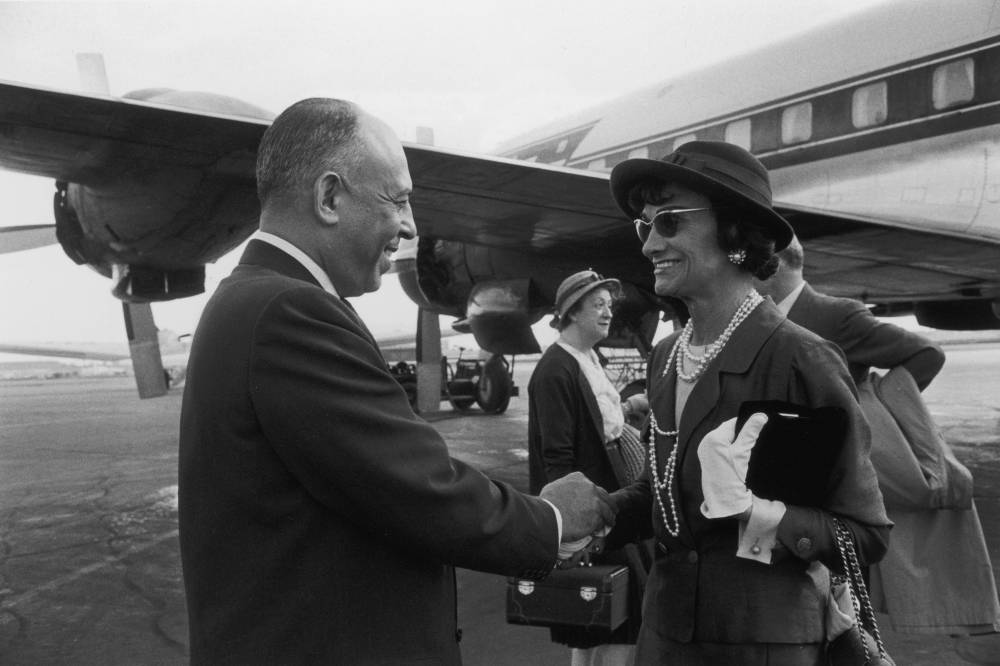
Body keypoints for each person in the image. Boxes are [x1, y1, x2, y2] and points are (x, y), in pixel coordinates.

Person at [178, 98, 616, 665]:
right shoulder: (290, 311)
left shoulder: (258, 299)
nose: (410, 225)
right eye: (398, 199)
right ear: (329, 197)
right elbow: (416, 488)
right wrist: (552, 519)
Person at [607, 140, 892, 664]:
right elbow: (662, 493)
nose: (649, 246)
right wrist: (593, 515)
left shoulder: (801, 359)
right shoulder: (667, 356)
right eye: (645, 225)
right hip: (665, 640)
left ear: (735, 233)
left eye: (669, 221)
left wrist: (755, 516)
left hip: (765, 646)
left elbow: (866, 536)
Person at [758, 236, 1000, 638]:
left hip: (835, 480)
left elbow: (926, 354)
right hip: (785, 480)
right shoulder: (767, 317)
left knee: (844, 595)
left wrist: (873, 411)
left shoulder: (835, 315)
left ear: (777, 267)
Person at [528, 270, 650, 666]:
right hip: (590, 513)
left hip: (607, 501)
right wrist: (571, 534)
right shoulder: (555, 370)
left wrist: (629, 409)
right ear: (571, 313)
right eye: (597, 305)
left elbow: (601, 422)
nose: (607, 312)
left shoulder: (586, 359)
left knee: (604, 613)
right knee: (604, 614)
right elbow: (557, 460)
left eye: (609, 305)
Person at [755, 234, 945, 390]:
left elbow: (928, 354)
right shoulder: (757, 316)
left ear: (773, 267)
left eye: (746, 266)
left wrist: (877, 405)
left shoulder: (837, 315)